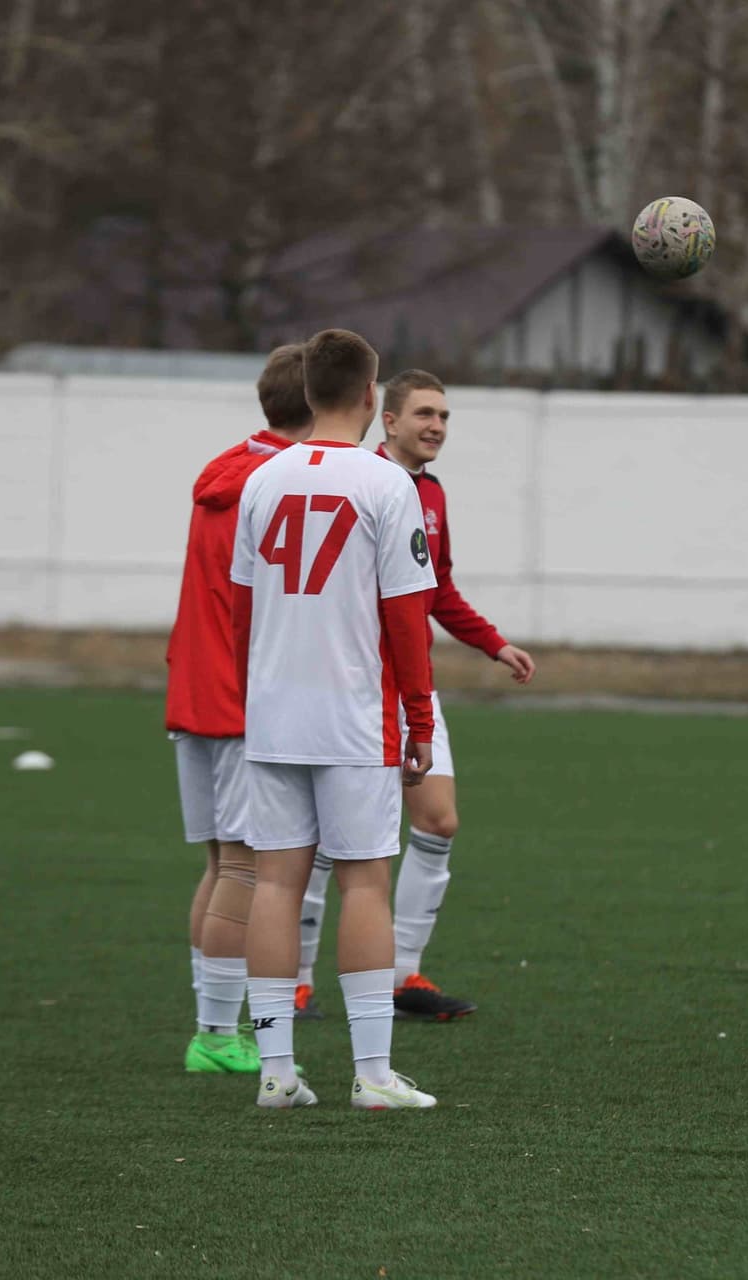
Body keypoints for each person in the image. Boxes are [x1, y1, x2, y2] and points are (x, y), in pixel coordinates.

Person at [230, 328, 439, 1111]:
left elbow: (242, 611)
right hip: (352, 714)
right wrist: (419, 719)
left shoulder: (263, 479)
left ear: (309, 390)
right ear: (368, 395)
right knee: (364, 886)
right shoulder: (389, 487)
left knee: (277, 886)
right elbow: (406, 620)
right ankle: (374, 1075)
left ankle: (277, 1074)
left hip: (275, 709)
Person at [295, 369, 536, 1022]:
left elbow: (437, 589)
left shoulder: (430, 493)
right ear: (388, 419)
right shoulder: (361, 483)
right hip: (352, 689)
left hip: (409, 686)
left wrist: (493, 643)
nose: (437, 426)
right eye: (425, 413)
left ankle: (406, 977)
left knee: (437, 821)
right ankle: (295, 981)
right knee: (322, 838)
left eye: (445, 416)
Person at [166, 345, 312, 1074]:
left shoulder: (225, 467)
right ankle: (216, 1036)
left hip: (193, 690)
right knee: (247, 870)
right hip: (241, 699)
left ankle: (212, 1027)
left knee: (223, 866)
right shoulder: (283, 481)